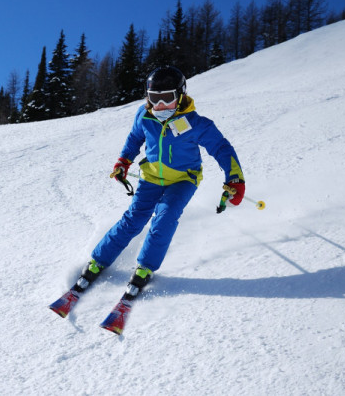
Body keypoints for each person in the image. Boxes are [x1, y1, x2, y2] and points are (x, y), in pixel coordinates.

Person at [76, 65, 246, 300]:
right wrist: (124, 161)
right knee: (133, 219)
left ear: (181, 95)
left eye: (167, 98)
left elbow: (221, 148)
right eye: (154, 98)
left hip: (184, 180)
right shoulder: (144, 115)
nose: (160, 105)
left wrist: (234, 179)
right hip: (151, 177)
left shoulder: (196, 123)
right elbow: (135, 138)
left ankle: (145, 267)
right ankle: (98, 261)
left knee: (165, 218)